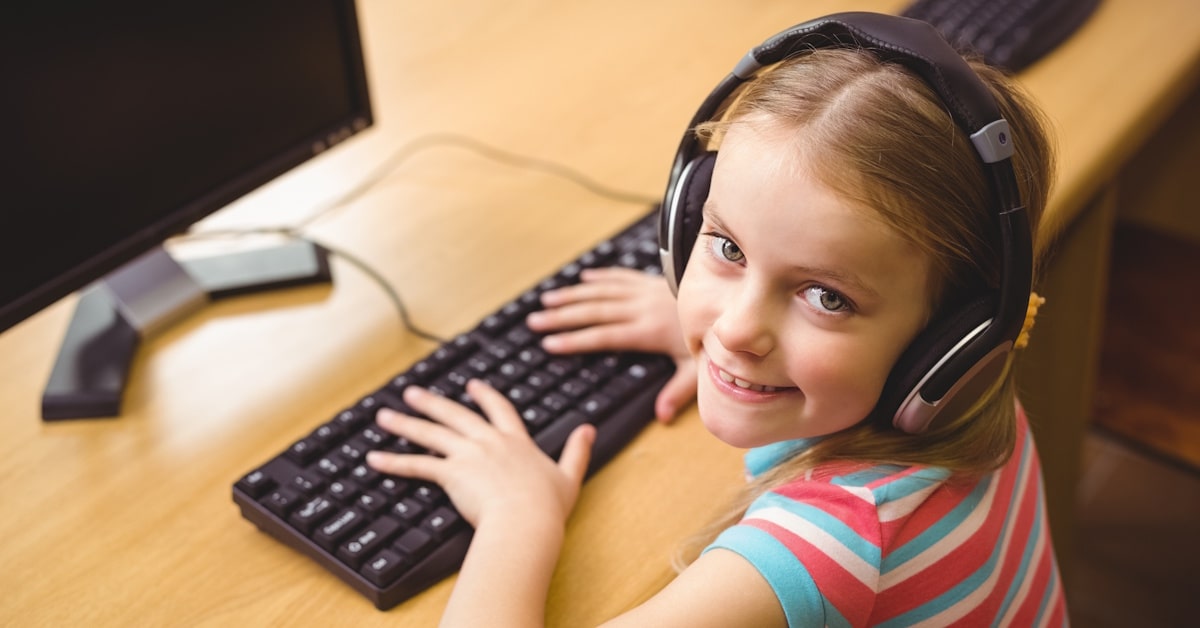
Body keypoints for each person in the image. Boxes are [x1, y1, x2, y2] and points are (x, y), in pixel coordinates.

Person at [366, 13, 1066, 626]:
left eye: (825, 297)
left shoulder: (824, 550)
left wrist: (518, 518)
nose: (732, 331)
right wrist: (696, 328)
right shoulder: (969, 418)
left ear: (949, 345)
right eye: (728, 248)